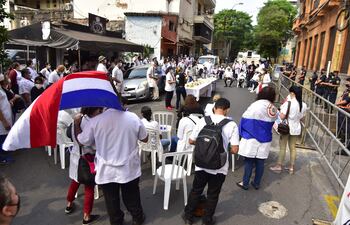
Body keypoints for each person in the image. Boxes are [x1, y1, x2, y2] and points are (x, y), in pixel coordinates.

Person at [75, 107, 148, 225]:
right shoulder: (132, 117)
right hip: (129, 168)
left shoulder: (95, 121)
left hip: (107, 170)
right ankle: (137, 218)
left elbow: (82, 141)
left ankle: (117, 221)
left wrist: (76, 124)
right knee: (132, 195)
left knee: (111, 199)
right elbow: (144, 138)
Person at [183, 98, 240, 225]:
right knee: (213, 194)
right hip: (219, 167)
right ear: (227, 110)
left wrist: (205, 145)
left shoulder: (203, 120)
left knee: (196, 190)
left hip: (201, 165)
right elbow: (235, 150)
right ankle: (207, 219)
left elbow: (191, 141)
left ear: (214, 108)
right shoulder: (232, 125)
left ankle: (188, 217)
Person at [66, 107, 102, 225]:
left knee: (75, 181)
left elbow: (69, 134)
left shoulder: (76, 119)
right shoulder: (90, 123)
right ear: (93, 110)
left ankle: (69, 204)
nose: (100, 112)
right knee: (89, 186)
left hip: (76, 156)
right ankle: (86, 216)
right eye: (98, 110)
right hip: (88, 158)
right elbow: (92, 144)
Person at [236, 87, 278, 190]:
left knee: (249, 161)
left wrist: (241, 133)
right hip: (265, 138)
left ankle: (245, 183)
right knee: (260, 162)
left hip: (251, 137)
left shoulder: (255, 105)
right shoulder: (273, 108)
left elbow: (245, 120)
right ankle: (256, 183)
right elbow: (274, 121)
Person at [270, 86, 307, 174]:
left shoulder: (289, 103)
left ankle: (279, 165)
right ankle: (291, 167)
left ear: (292, 93)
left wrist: (278, 113)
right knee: (293, 147)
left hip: (286, 128)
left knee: (283, 147)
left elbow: (282, 116)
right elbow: (302, 118)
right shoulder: (304, 105)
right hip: (296, 128)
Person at [0, 74, 13, 164]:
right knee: (2, 140)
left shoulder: (1, 88)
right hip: (2, 122)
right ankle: (3, 159)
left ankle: (4, 156)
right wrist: (4, 122)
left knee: (4, 138)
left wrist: (9, 103)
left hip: (5, 117)